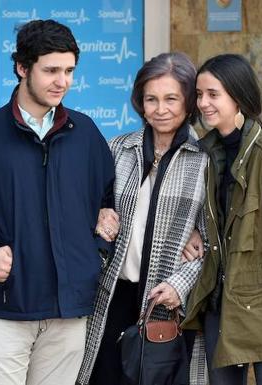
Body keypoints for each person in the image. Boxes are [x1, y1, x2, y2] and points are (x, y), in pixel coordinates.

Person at [0, 19, 116, 385]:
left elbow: (108, 202)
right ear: (22, 68)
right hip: (4, 311)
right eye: (51, 71)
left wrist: (96, 250)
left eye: (69, 71)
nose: (63, 81)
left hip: (68, 310)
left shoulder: (86, 135)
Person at [77, 52, 209, 385]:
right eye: (151, 99)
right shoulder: (117, 148)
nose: (160, 109)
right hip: (110, 297)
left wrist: (181, 284)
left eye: (171, 99)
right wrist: (96, 216)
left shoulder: (206, 160)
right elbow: (86, 204)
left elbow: (217, 245)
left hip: (166, 303)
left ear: (189, 102)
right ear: (140, 101)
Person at [183, 53, 262, 385]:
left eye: (213, 94)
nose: (203, 103)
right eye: (199, 94)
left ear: (237, 96)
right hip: (219, 307)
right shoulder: (206, 152)